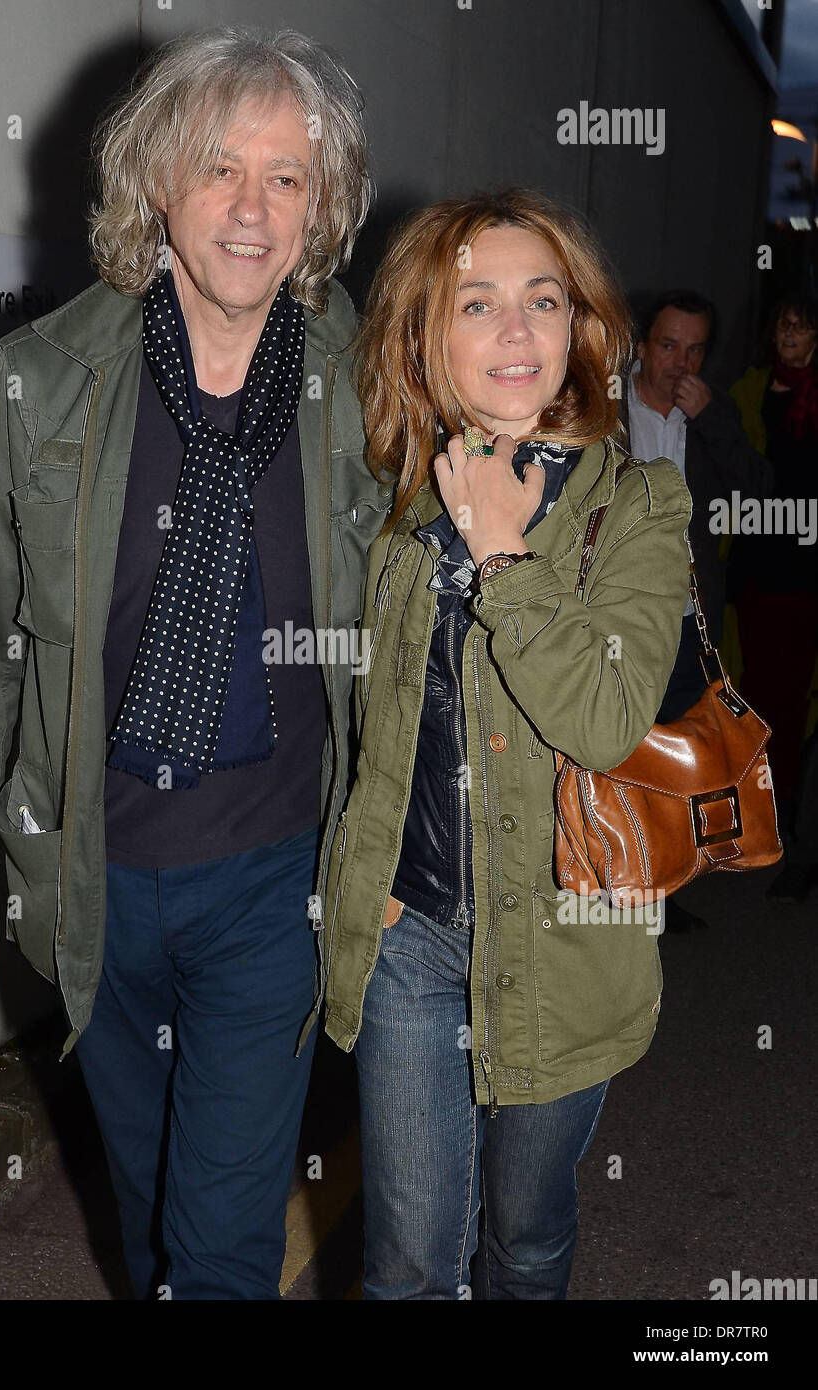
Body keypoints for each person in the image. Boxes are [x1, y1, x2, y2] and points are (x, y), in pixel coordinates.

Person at [0, 27, 388, 1300]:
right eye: (222, 167)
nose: (252, 208)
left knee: (219, 1246)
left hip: (274, 882)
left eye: (287, 177)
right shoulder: (39, 382)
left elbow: (412, 638)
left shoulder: (366, 383)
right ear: (156, 180)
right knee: (155, 1208)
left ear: (322, 205)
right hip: (93, 879)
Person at [322, 188, 692, 1300]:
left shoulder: (639, 505)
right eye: (476, 303)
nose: (517, 331)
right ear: (427, 336)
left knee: (524, 1245)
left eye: (543, 299)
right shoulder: (387, 498)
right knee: (405, 1263)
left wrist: (498, 543)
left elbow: (602, 716)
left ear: (580, 326)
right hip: (410, 942)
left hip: (566, 941)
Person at [620, 292, 773, 724]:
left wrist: (712, 421)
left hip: (691, 624)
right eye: (668, 346)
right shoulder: (608, 408)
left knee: (682, 757)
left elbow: (759, 492)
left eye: (695, 350)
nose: (681, 364)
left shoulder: (714, 411)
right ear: (642, 347)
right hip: (616, 616)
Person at [730, 292, 818, 897]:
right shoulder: (749, 390)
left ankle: (785, 818)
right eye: (783, 322)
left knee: (792, 702)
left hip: (807, 575)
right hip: (759, 567)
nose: (790, 333)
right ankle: (749, 820)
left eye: (802, 325)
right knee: (749, 697)